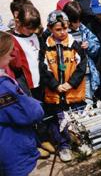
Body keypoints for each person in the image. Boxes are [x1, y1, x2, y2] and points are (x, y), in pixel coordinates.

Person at [40, 10, 87, 162]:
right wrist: (55, 86)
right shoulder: (45, 47)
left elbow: (82, 66)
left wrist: (70, 84)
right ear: (50, 28)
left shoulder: (75, 44)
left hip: (73, 92)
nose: (62, 32)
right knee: (58, 121)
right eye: (58, 29)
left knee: (76, 118)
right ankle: (64, 146)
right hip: (55, 93)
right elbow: (43, 69)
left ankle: (80, 142)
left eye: (65, 28)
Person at [0, 31, 44, 176]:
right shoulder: (4, 86)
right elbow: (32, 112)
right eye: (9, 52)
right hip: (13, 152)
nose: (12, 55)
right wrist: (33, 102)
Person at [62, 0, 101, 104]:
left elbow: (96, 44)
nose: (78, 24)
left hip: (86, 74)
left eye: (79, 20)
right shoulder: (61, 32)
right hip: (69, 75)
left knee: (87, 101)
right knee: (71, 102)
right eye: (75, 21)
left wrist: (89, 45)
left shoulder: (83, 30)